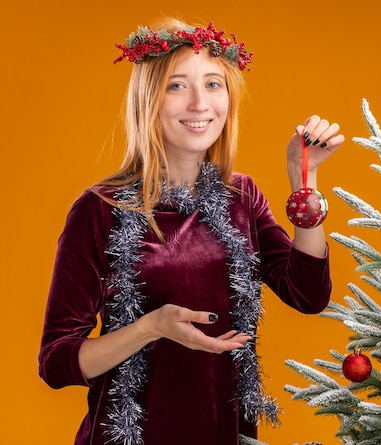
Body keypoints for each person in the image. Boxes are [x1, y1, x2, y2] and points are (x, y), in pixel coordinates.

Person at [38, 17, 344, 445]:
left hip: (226, 433)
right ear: (149, 100)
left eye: (214, 84)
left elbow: (308, 295)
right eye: (177, 86)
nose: (200, 103)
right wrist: (150, 327)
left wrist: (303, 179)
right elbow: (56, 363)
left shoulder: (242, 196)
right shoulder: (99, 210)